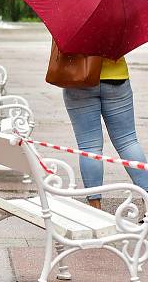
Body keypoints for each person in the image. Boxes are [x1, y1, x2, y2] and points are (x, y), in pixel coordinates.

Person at [62, 57, 148, 210]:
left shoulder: (70, 31)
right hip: (115, 77)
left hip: (79, 77)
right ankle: (147, 200)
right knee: (128, 142)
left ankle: (96, 210)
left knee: (89, 147)